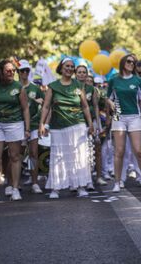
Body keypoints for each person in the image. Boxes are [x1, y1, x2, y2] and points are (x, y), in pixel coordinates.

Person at [39, 58, 94, 198]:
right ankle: (55, 189)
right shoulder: (53, 86)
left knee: (79, 156)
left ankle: (80, 186)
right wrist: (42, 124)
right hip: (58, 126)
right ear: (61, 68)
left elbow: (85, 106)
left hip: (78, 124)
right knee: (58, 156)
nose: (69, 69)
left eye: (72, 67)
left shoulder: (78, 85)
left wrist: (90, 124)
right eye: (67, 66)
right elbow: (46, 107)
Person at [0, 60, 30, 203]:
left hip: (15, 124)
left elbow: (25, 108)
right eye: (8, 70)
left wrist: (27, 129)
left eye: (13, 71)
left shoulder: (18, 87)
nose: (11, 73)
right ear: (0, 71)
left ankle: (14, 189)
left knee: (14, 156)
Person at [106, 54, 141, 192]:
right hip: (118, 117)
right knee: (119, 151)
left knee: (139, 151)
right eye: (128, 61)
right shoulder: (114, 80)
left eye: (133, 63)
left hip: (135, 117)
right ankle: (117, 182)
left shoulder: (138, 80)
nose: (131, 64)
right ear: (123, 62)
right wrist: (110, 103)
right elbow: (108, 97)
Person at [18, 60, 45, 194]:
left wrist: (43, 124)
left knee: (34, 153)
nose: (25, 73)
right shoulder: (15, 87)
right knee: (17, 155)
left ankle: (34, 183)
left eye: (27, 70)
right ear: (18, 72)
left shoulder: (35, 88)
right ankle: (14, 184)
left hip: (33, 125)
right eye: (22, 70)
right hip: (18, 126)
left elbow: (46, 105)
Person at [75, 64, 103, 189]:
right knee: (77, 153)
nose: (81, 74)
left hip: (91, 123)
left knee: (92, 151)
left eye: (83, 72)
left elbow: (96, 106)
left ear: (86, 75)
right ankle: (76, 181)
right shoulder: (71, 87)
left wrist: (97, 123)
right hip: (76, 123)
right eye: (79, 72)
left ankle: (92, 178)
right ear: (76, 74)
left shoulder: (92, 89)